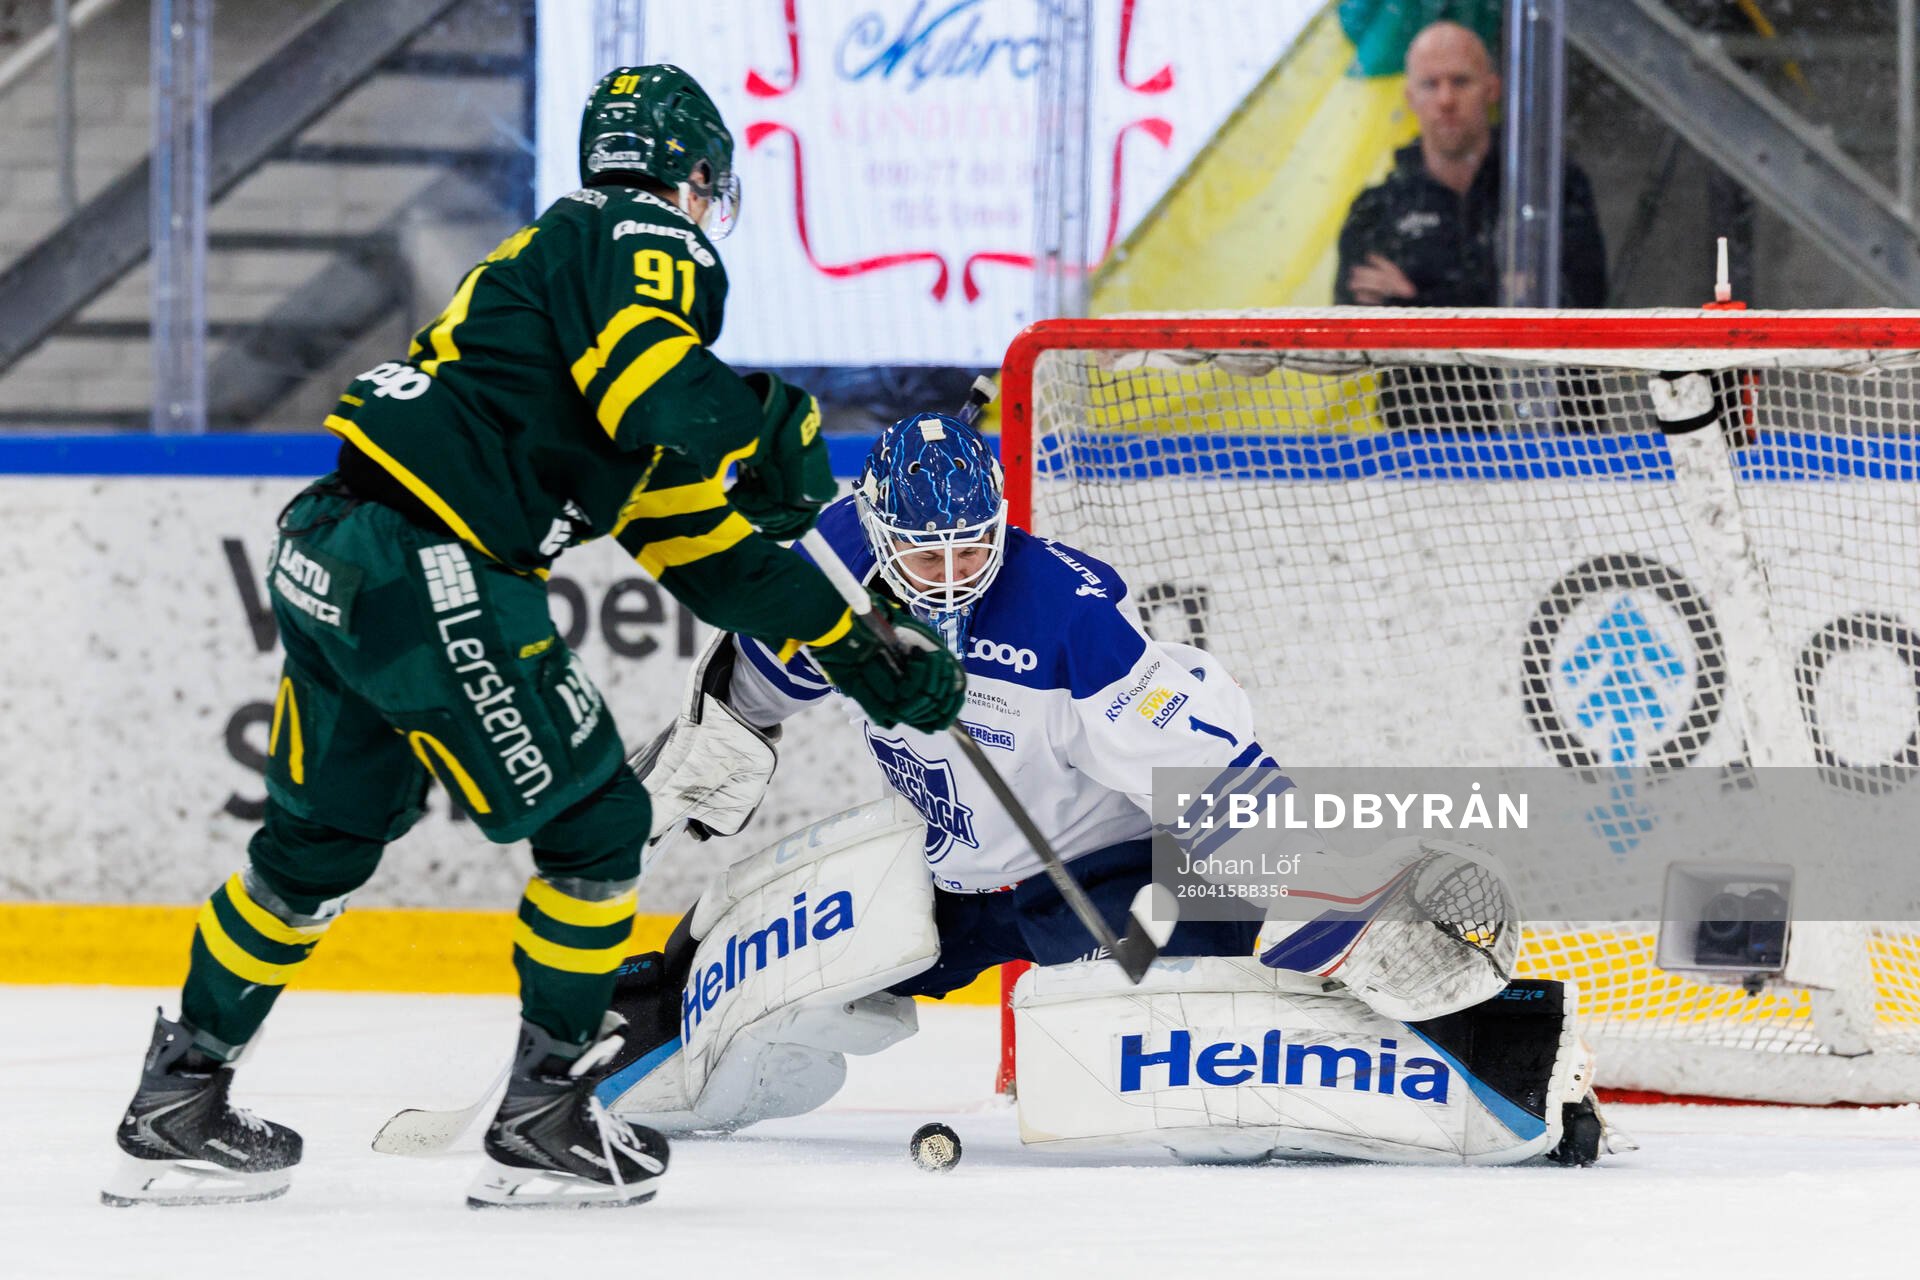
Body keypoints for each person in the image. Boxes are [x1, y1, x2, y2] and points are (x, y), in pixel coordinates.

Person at [103, 65, 964, 1211]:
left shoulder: (560, 284)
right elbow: (666, 398)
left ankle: (179, 1098)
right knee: (598, 821)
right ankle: (547, 1114)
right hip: (433, 559)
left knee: (314, 851)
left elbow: (696, 540)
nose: (709, 213)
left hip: (333, 544)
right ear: (698, 175)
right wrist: (775, 417)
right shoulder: (647, 233)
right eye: (712, 189)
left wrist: (852, 642)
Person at [585, 411, 1585, 1164]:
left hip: (1104, 876)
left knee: (1171, 1048)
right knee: (775, 975)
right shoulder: (827, 576)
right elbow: (744, 693)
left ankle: (1487, 1053)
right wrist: (676, 778)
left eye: (971, 545)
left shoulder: (1067, 619)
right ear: (874, 529)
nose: (946, 576)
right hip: (948, 875)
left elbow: (1209, 779)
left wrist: (1327, 895)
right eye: (923, 552)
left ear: (1005, 521)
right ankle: (625, 1046)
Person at [1335, 20, 1607, 312]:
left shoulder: (1551, 184)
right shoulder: (1374, 213)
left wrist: (1414, 302)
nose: (1446, 99)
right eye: (1430, 84)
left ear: (1492, 89)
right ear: (1410, 97)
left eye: (1460, 81)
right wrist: (1505, 290)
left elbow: (1581, 305)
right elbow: (1357, 340)